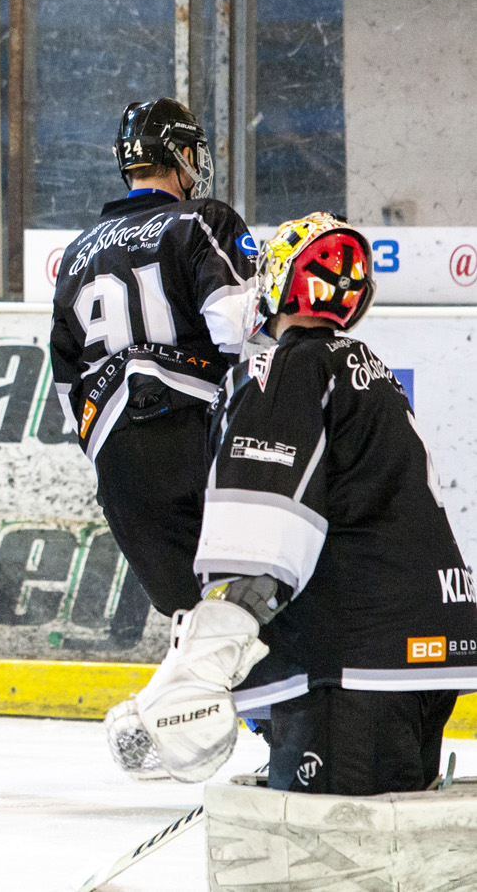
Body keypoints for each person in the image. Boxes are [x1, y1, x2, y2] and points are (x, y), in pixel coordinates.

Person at [105, 212, 477, 795]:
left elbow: (263, 526)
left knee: (336, 846)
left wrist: (201, 666)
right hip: (424, 647)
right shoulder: (368, 371)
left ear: (275, 283)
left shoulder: (284, 367)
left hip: (349, 662)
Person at [49, 98, 258, 619]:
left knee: (192, 619)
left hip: (120, 459)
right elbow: (239, 329)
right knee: (255, 608)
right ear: (183, 154)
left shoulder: (77, 253)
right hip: (200, 435)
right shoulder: (202, 218)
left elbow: (66, 384)